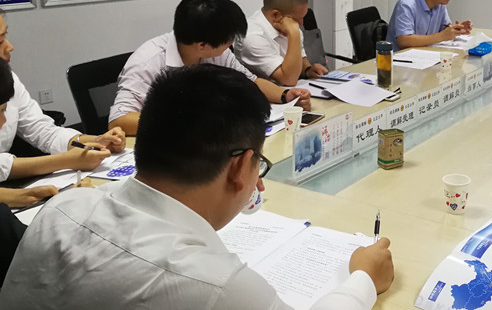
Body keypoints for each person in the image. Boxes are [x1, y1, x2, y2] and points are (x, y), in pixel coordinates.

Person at [0, 64, 395, 308]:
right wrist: (362, 279)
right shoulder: (216, 287)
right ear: (239, 167)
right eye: (259, 164)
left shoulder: (62, 210)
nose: (257, 180)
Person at [109, 0, 311, 135]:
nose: (231, 44)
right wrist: (191, 122)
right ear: (202, 45)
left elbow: (251, 82)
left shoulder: (216, 53)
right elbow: (119, 121)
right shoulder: (147, 63)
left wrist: (285, 96)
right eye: (228, 41)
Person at [0, 11, 124, 207]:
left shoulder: (8, 80)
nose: (10, 46)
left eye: (6, 36)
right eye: (0, 41)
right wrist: (66, 160)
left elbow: (42, 130)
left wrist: (92, 141)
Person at [235, 0, 328, 86]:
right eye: (296, 19)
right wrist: (294, 33)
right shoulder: (252, 36)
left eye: (302, 17)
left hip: (290, 91)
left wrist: (308, 70)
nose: (301, 24)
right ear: (275, 15)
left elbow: (301, 60)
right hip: (262, 94)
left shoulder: (288, 25)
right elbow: (289, 80)